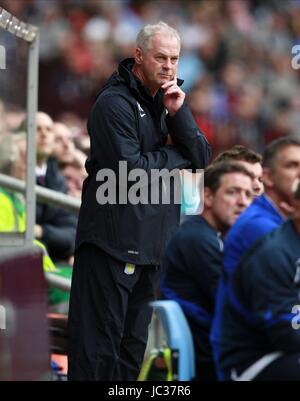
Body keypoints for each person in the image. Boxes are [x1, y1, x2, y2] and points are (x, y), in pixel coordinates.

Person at [68, 21, 211, 381]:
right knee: (98, 354)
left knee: (132, 356)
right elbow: (129, 172)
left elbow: (201, 157)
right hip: (112, 246)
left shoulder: (170, 100)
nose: (168, 66)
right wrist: (176, 157)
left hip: (152, 248)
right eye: (160, 57)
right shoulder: (113, 103)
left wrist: (180, 115)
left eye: (175, 59)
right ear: (139, 56)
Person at [211, 136, 300, 377]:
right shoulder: (263, 229)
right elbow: (285, 329)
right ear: (267, 177)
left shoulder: (278, 222)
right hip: (251, 356)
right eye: (291, 166)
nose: (299, 173)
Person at [160, 162, 253, 381]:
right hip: (214, 360)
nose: (243, 202)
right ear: (208, 197)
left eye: (249, 195)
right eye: (233, 192)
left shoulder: (209, 235)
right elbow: (236, 303)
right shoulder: (197, 240)